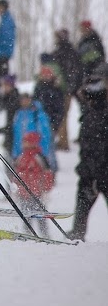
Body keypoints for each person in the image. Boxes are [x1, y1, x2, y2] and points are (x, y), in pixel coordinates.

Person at [68, 63, 108, 241]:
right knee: (83, 200)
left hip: (103, 171)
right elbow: (88, 146)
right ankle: (77, 234)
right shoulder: (91, 111)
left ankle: (77, 233)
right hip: (89, 171)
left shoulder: (101, 111)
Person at [11, 92, 57, 174]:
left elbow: (45, 134)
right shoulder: (19, 114)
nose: (24, 102)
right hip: (23, 153)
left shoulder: (38, 114)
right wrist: (16, 152)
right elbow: (16, 136)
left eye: (26, 99)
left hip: (37, 152)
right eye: (22, 100)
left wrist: (43, 152)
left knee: (39, 174)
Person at [0, 74, 20, 158]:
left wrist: (3, 130)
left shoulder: (14, 99)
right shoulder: (8, 97)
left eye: (6, 85)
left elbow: (14, 122)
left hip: (15, 137)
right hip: (10, 135)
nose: (4, 87)